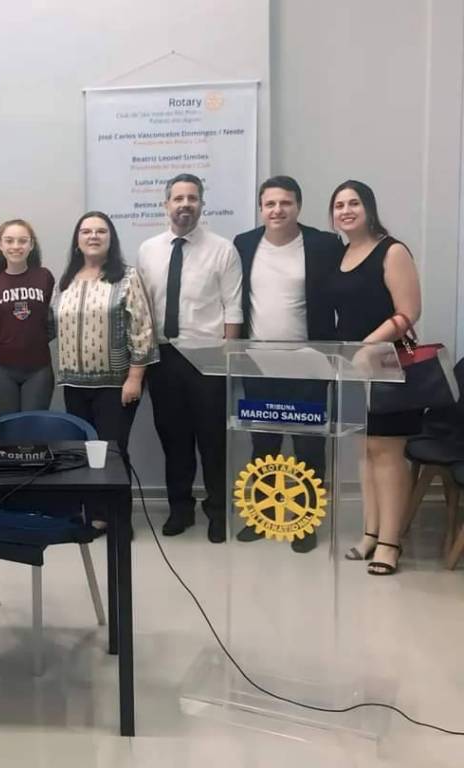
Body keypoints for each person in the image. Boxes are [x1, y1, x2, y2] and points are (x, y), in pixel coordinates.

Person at [234, 175, 343, 553]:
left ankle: (304, 521)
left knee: (308, 447)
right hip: (258, 363)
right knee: (263, 444)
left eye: (285, 203)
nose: (277, 210)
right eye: (270, 204)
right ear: (260, 208)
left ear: (298, 206)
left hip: (309, 364)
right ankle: (263, 515)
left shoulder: (324, 245)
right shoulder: (245, 244)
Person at [137, 173, 243, 543]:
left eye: (192, 198)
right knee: (174, 438)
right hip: (163, 357)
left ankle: (217, 511)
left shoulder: (223, 249)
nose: (185, 204)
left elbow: (233, 308)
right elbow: (143, 307)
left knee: (213, 440)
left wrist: (229, 359)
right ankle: (179, 508)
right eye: (178, 198)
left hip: (208, 357)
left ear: (201, 204)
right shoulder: (148, 250)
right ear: (166, 204)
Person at [328, 180, 422, 575]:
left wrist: (367, 345)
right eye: (339, 205)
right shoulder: (342, 253)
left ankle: (390, 542)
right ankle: (370, 533)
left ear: (369, 207)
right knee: (365, 453)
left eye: (354, 203)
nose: (346, 210)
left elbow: (408, 312)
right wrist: (349, 354)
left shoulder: (392, 250)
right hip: (351, 366)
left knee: (388, 455)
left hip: (387, 365)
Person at [51, 211, 157, 469]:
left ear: (111, 239)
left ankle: (116, 499)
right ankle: (89, 499)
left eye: (101, 231)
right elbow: (52, 324)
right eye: (86, 231)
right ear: (77, 241)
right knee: (82, 455)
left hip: (116, 385)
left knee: (112, 455)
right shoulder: (66, 281)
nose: (93, 236)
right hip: (74, 385)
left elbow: (143, 329)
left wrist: (135, 379)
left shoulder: (128, 277)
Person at [0, 219, 55, 416]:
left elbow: (51, 317)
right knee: (8, 429)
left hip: (38, 369)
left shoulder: (45, 277)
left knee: (33, 427)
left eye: (22, 241)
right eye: (9, 240)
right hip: (1, 369)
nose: (16, 246)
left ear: (31, 245)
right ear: (0, 245)